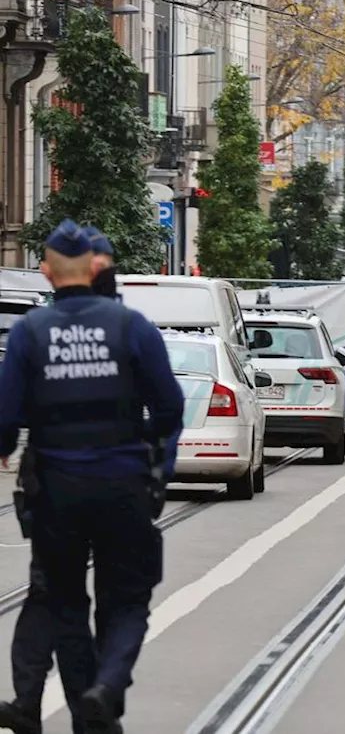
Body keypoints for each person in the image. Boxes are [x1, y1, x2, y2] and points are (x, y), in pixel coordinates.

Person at [0, 221, 184, 734]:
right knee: (127, 600)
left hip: (56, 488)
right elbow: (170, 409)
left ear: (45, 270)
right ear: (100, 268)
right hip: (122, 481)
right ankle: (107, 688)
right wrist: (148, 455)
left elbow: (5, 416)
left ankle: (86, 711)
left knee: (64, 604)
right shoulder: (131, 326)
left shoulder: (31, 331)